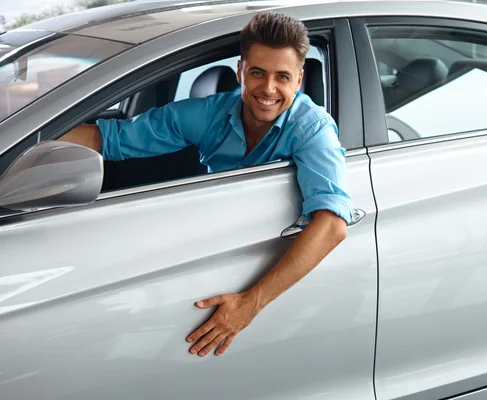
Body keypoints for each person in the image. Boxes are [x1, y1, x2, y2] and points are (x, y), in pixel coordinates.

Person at [60, 11, 352, 357]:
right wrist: (20, 140)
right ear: (241, 70)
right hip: (218, 236)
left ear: (299, 80)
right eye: (257, 73)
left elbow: (332, 224)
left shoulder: (312, 129)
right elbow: (110, 138)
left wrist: (249, 305)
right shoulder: (210, 113)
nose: (269, 89)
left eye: (282, 77)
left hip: (285, 271)